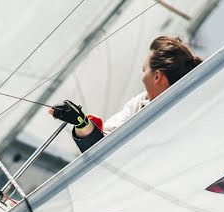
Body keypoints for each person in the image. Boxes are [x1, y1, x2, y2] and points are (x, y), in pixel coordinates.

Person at [49, 36, 202, 153]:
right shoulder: (139, 103)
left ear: (157, 77)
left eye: (144, 70)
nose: (142, 76)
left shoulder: (190, 113)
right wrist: (81, 122)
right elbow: (101, 148)